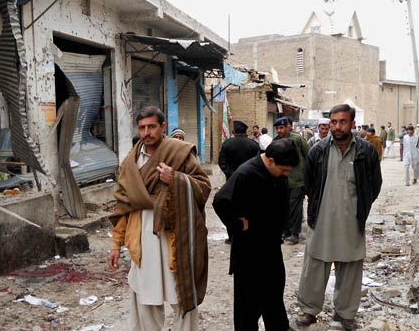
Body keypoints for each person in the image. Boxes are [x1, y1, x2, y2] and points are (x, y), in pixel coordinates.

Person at [108, 106, 211, 331]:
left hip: (174, 238)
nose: (147, 132)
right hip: (142, 239)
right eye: (142, 127)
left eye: (152, 126)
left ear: (162, 127)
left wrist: (175, 178)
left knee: (180, 295)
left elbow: (204, 187)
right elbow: (123, 205)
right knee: (146, 296)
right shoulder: (130, 162)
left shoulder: (180, 152)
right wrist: (116, 244)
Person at [296, 104, 382, 330]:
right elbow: (309, 183)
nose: (337, 126)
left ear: (352, 124)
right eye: (333, 122)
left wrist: (360, 205)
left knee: (351, 266)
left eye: (342, 121)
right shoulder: (318, 151)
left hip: (351, 219)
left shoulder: (366, 151)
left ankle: (345, 313)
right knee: (315, 264)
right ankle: (309, 310)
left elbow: (375, 185)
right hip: (322, 218)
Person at [213, 138, 298, 331]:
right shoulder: (245, 173)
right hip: (248, 253)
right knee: (248, 307)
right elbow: (220, 201)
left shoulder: (277, 173)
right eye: (284, 170)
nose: (286, 175)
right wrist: (236, 224)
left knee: (274, 298)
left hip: (271, 248)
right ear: (270, 160)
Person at [218, 120, 261, 244]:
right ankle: (248, 232)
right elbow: (258, 162)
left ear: (234, 131)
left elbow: (222, 162)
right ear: (246, 131)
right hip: (250, 182)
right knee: (249, 206)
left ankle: (232, 236)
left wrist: (230, 174)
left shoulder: (227, 144)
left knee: (232, 207)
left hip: (231, 182)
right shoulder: (253, 145)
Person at [273, 116, 310, 245]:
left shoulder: (297, 139)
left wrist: (307, 178)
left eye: (281, 128)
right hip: (281, 181)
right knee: (283, 207)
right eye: (277, 128)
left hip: (297, 180)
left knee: (295, 207)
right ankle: (285, 231)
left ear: (289, 126)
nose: (279, 131)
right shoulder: (276, 141)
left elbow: (308, 156)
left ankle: (295, 233)